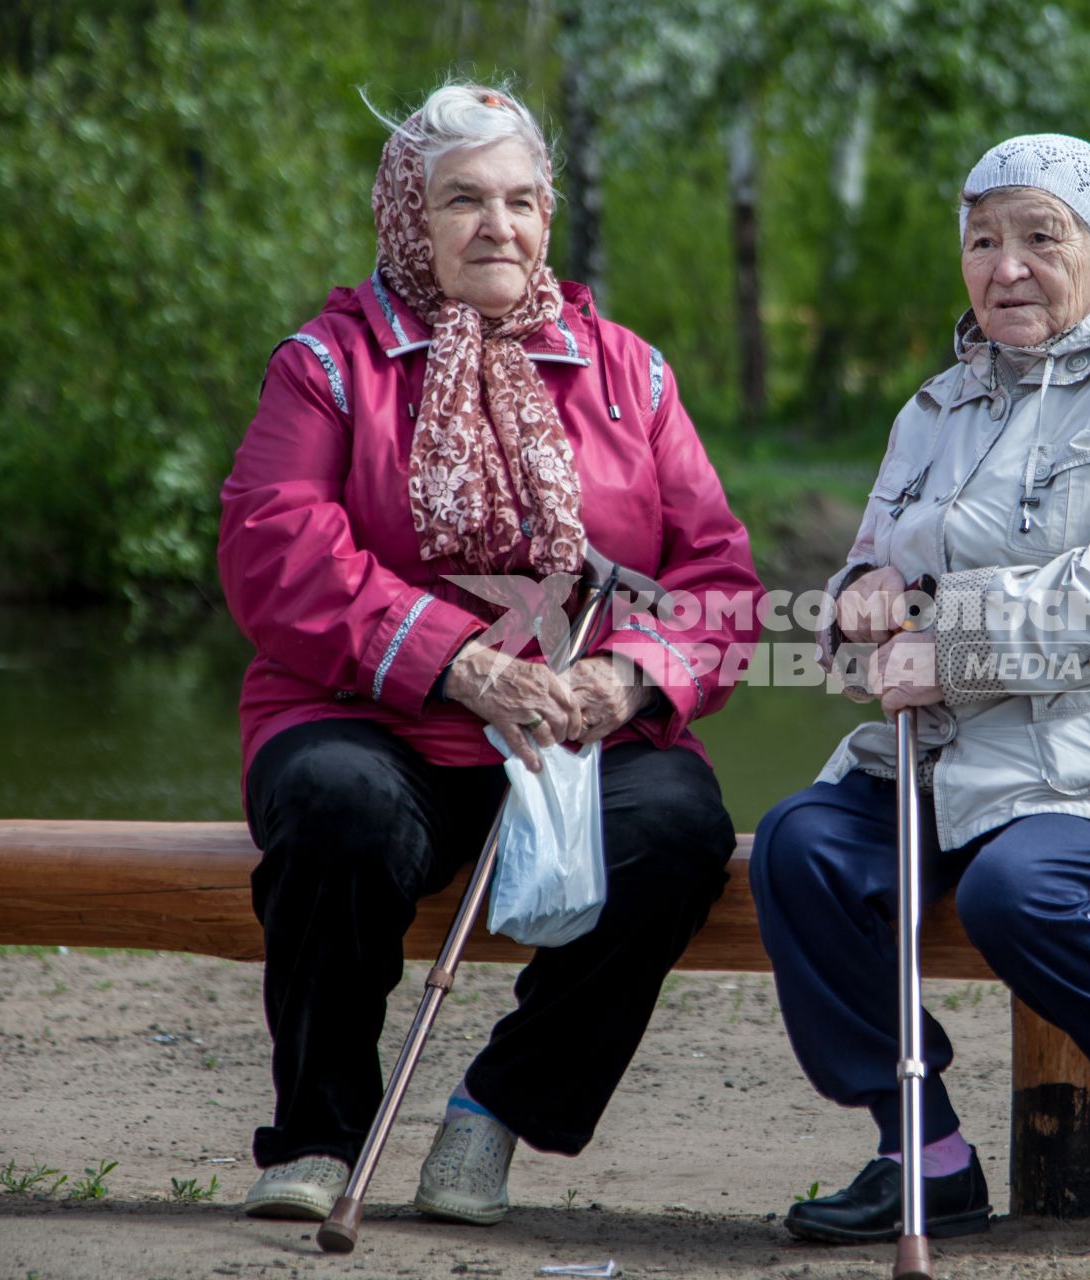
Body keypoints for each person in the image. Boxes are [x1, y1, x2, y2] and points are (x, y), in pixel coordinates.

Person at [217, 81, 760, 1226]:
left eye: (519, 199)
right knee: (330, 808)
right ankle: (318, 1131)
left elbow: (716, 578)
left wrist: (624, 676)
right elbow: (274, 546)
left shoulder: (630, 374)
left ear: (548, 216)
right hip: (376, 721)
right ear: (408, 214)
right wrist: (457, 660)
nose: (496, 226)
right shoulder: (328, 364)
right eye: (462, 198)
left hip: (576, 728)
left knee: (676, 830)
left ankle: (491, 1113)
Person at [750, 134, 1090, 1251]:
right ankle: (923, 1152)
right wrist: (862, 608)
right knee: (798, 846)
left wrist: (954, 647)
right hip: (957, 758)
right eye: (982, 240)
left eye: (1041, 237)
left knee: (1016, 892)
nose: (1006, 266)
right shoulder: (935, 408)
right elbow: (869, 573)